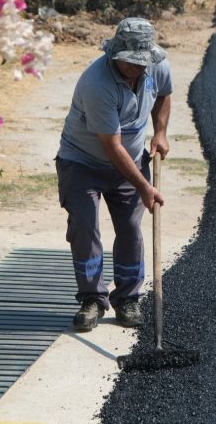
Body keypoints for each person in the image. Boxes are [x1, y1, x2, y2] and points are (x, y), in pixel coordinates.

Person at [56, 17, 172, 331]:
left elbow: (163, 95)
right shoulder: (96, 83)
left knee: (131, 230)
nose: (136, 68)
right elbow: (112, 147)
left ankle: (128, 299)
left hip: (130, 160)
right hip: (82, 163)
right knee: (85, 226)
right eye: (129, 63)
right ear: (115, 55)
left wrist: (160, 132)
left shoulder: (157, 66)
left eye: (140, 63)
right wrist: (145, 187)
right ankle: (92, 299)